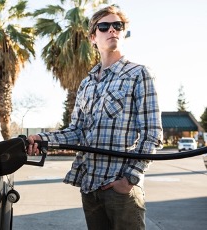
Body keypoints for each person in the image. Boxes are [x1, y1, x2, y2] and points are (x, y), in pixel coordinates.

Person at [26, 5, 163, 230]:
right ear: (93, 37)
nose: (112, 30)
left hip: (120, 190)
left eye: (118, 26)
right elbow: (76, 131)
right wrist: (42, 138)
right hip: (89, 188)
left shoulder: (139, 74)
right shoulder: (87, 83)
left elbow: (152, 134)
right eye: (104, 26)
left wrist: (129, 180)